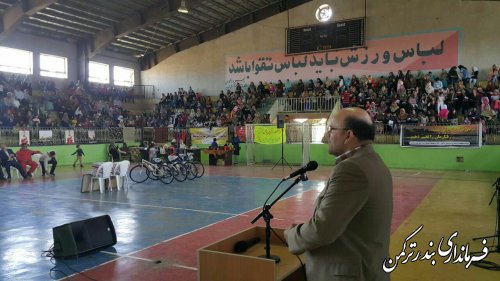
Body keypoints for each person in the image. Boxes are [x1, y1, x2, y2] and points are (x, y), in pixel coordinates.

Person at [285, 107, 393, 281]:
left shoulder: (351, 169)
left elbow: (323, 230)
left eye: (332, 129)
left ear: (348, 135)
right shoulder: (375, 163)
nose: (328, 135)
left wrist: (292, 235)